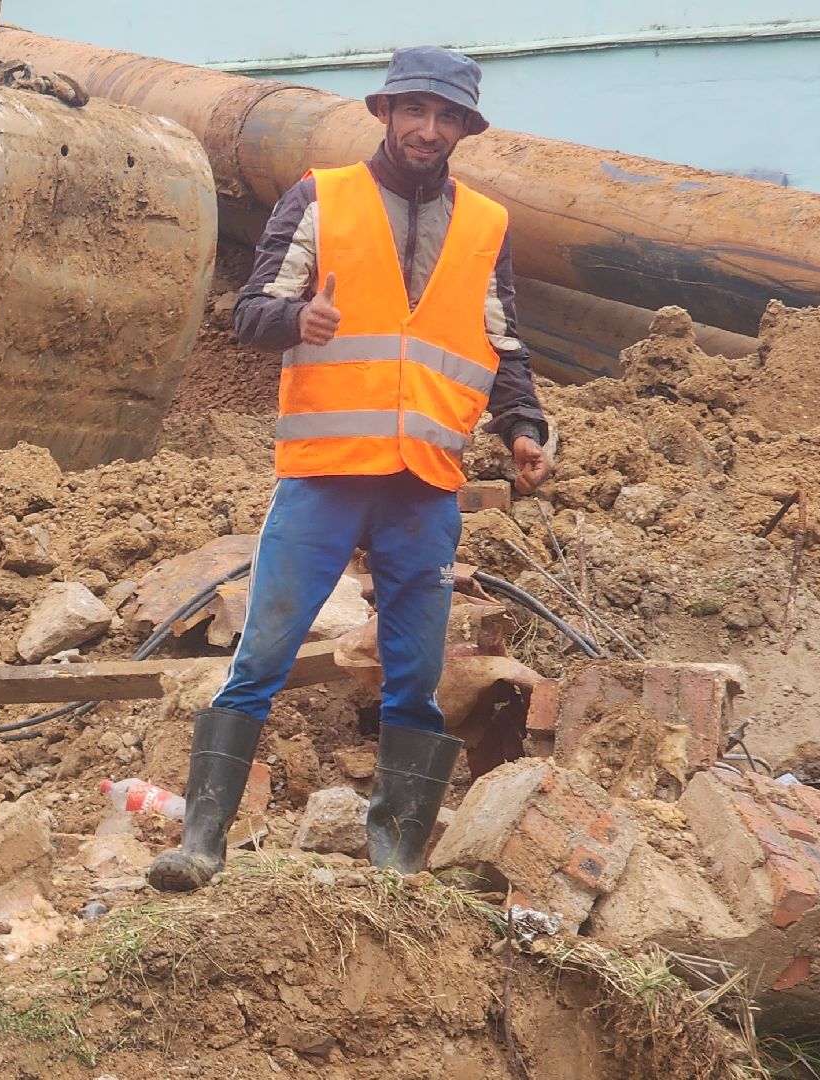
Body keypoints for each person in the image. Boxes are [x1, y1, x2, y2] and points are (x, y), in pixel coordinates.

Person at [147, 46, 555, 892]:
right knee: (259, 657)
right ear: (384, 113)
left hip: (423, 486)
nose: (427, 129)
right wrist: (301, 317)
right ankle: (201, 845)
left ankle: (395, 865)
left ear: (463, 130)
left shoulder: (484, 226)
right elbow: (248, 314)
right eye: (414, 111)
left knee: (413, 677)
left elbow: (501, 341)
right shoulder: (319, 198)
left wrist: (523, 421)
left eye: (446, 117)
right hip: (326, 475)